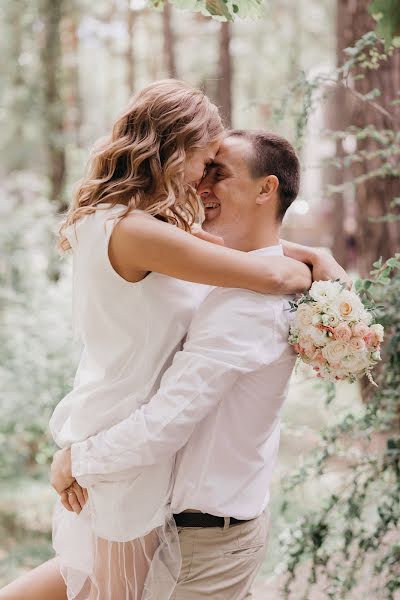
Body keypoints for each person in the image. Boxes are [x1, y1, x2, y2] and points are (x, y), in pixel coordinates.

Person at [0, 80, 345, 600]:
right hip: (127, 427)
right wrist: (315, 268)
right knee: (101, 585)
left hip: (119, 419)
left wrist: (297, 248)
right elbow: (272, 278)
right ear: (174, 149)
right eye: (205, 162)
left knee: (83, 577)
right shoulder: (141, 232)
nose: (202, 179)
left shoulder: (131, 222)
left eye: (216, 171)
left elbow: (224, 245)